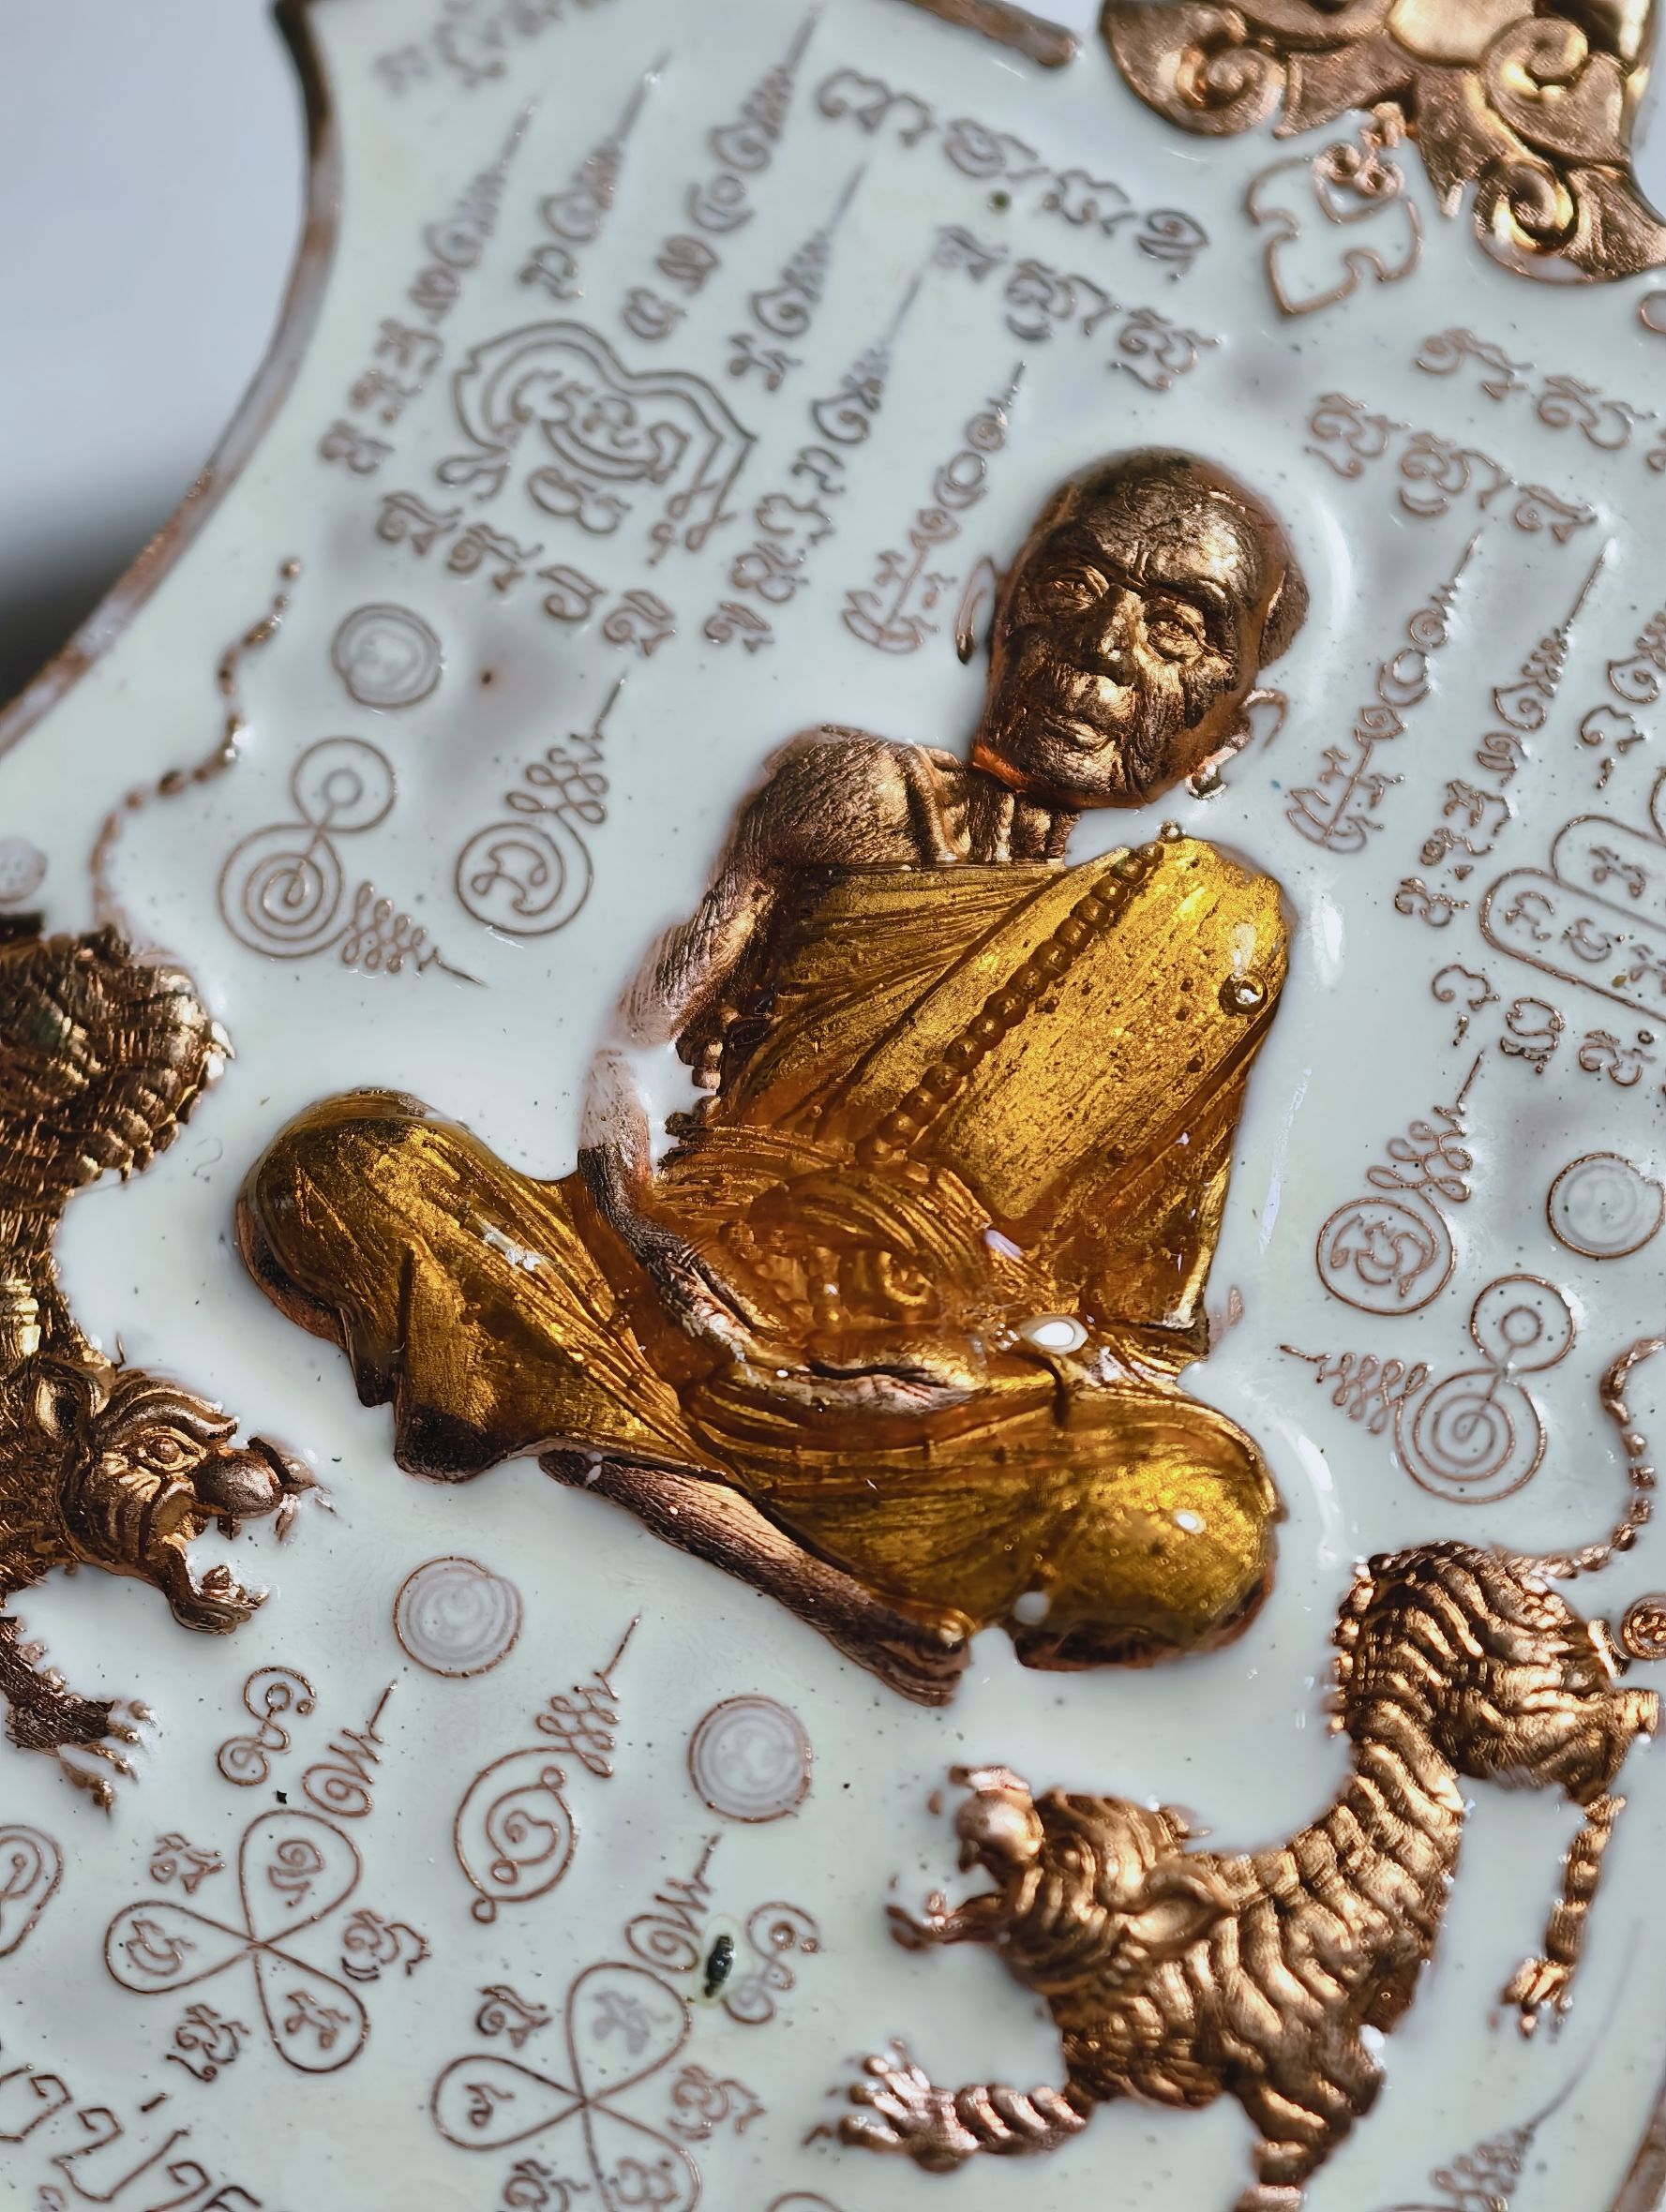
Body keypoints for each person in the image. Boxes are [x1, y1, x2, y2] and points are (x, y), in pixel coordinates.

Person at [237, 448, 1308, 1703]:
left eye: (1177, 630)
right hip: (662, 1278)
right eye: (1071, 590)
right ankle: (813, 1582)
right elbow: (637, 1040)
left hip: (916, 1400)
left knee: (1194, 1535)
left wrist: (973, 1369)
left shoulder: (1208, 928)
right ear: (990, 612)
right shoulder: (852, 793)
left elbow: (1137, 1327)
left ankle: (617, 1445)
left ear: (1234, 733)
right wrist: (646, 1234)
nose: (1102, 653)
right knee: (345, 1169)